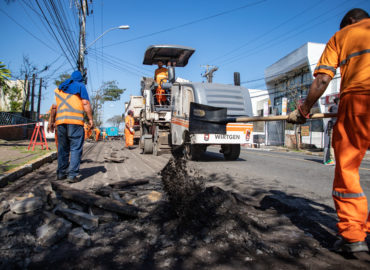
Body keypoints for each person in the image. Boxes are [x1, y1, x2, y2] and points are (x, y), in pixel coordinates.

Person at [287, 8, 370, 253]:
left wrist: (303, 110)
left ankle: (353, 236)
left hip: (358, 101)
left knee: (347, 167)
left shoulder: (341, 36)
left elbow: (322, 79)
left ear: (351, 22)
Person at [55, 70, 94, 182]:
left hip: (61, 122)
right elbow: (85, 103)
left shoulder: (60, 88)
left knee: (63, 149)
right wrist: (90, 119)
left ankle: (61, 173)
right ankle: (72, 175)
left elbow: (54, 107)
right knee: (75, 148)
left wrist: (52, 121)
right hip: (75, 122)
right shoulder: (80, 86)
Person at [323, 97, 339, 165]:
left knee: (332, 144)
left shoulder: (333, 107)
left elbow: (329, 109)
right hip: (342, 127)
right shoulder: (343, 107)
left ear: (335, 102)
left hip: (334, 126)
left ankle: (332, 159)